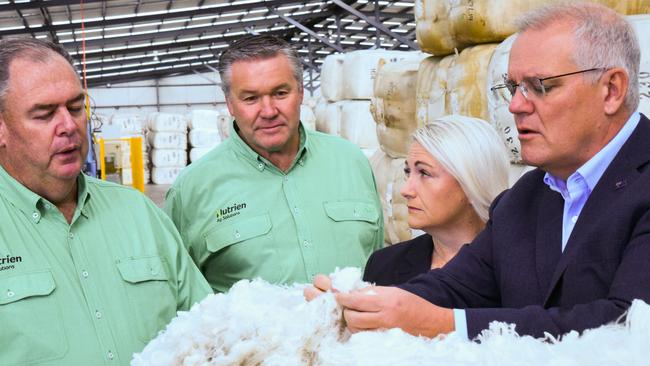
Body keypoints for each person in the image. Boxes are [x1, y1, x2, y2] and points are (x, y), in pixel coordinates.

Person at [306, 2, 650, 339]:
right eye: (514, 87)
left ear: (611, 90)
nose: (515, 105)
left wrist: (444, 324)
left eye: (540, 86)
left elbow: (627, 323)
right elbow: (454, 286)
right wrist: (358, 300)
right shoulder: (525, 198)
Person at [0, 38, 212, 365]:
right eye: (44, 114)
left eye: (75, 107)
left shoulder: (139, 212)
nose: (69, 126)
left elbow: (208, 325)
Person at [164, 35, 383, 293]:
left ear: (300, 92)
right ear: (230, 104)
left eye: (280, 93)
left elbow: (379, 262)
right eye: (250, 98)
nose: (268, 111)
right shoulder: (192, 189)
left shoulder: (350, 161)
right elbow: (180, 294)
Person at [363, 116, 509, 285]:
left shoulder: (518, 270)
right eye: (407, 172)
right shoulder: (384, 266)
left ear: (473, 182)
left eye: (424, 173)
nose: (405, 190)